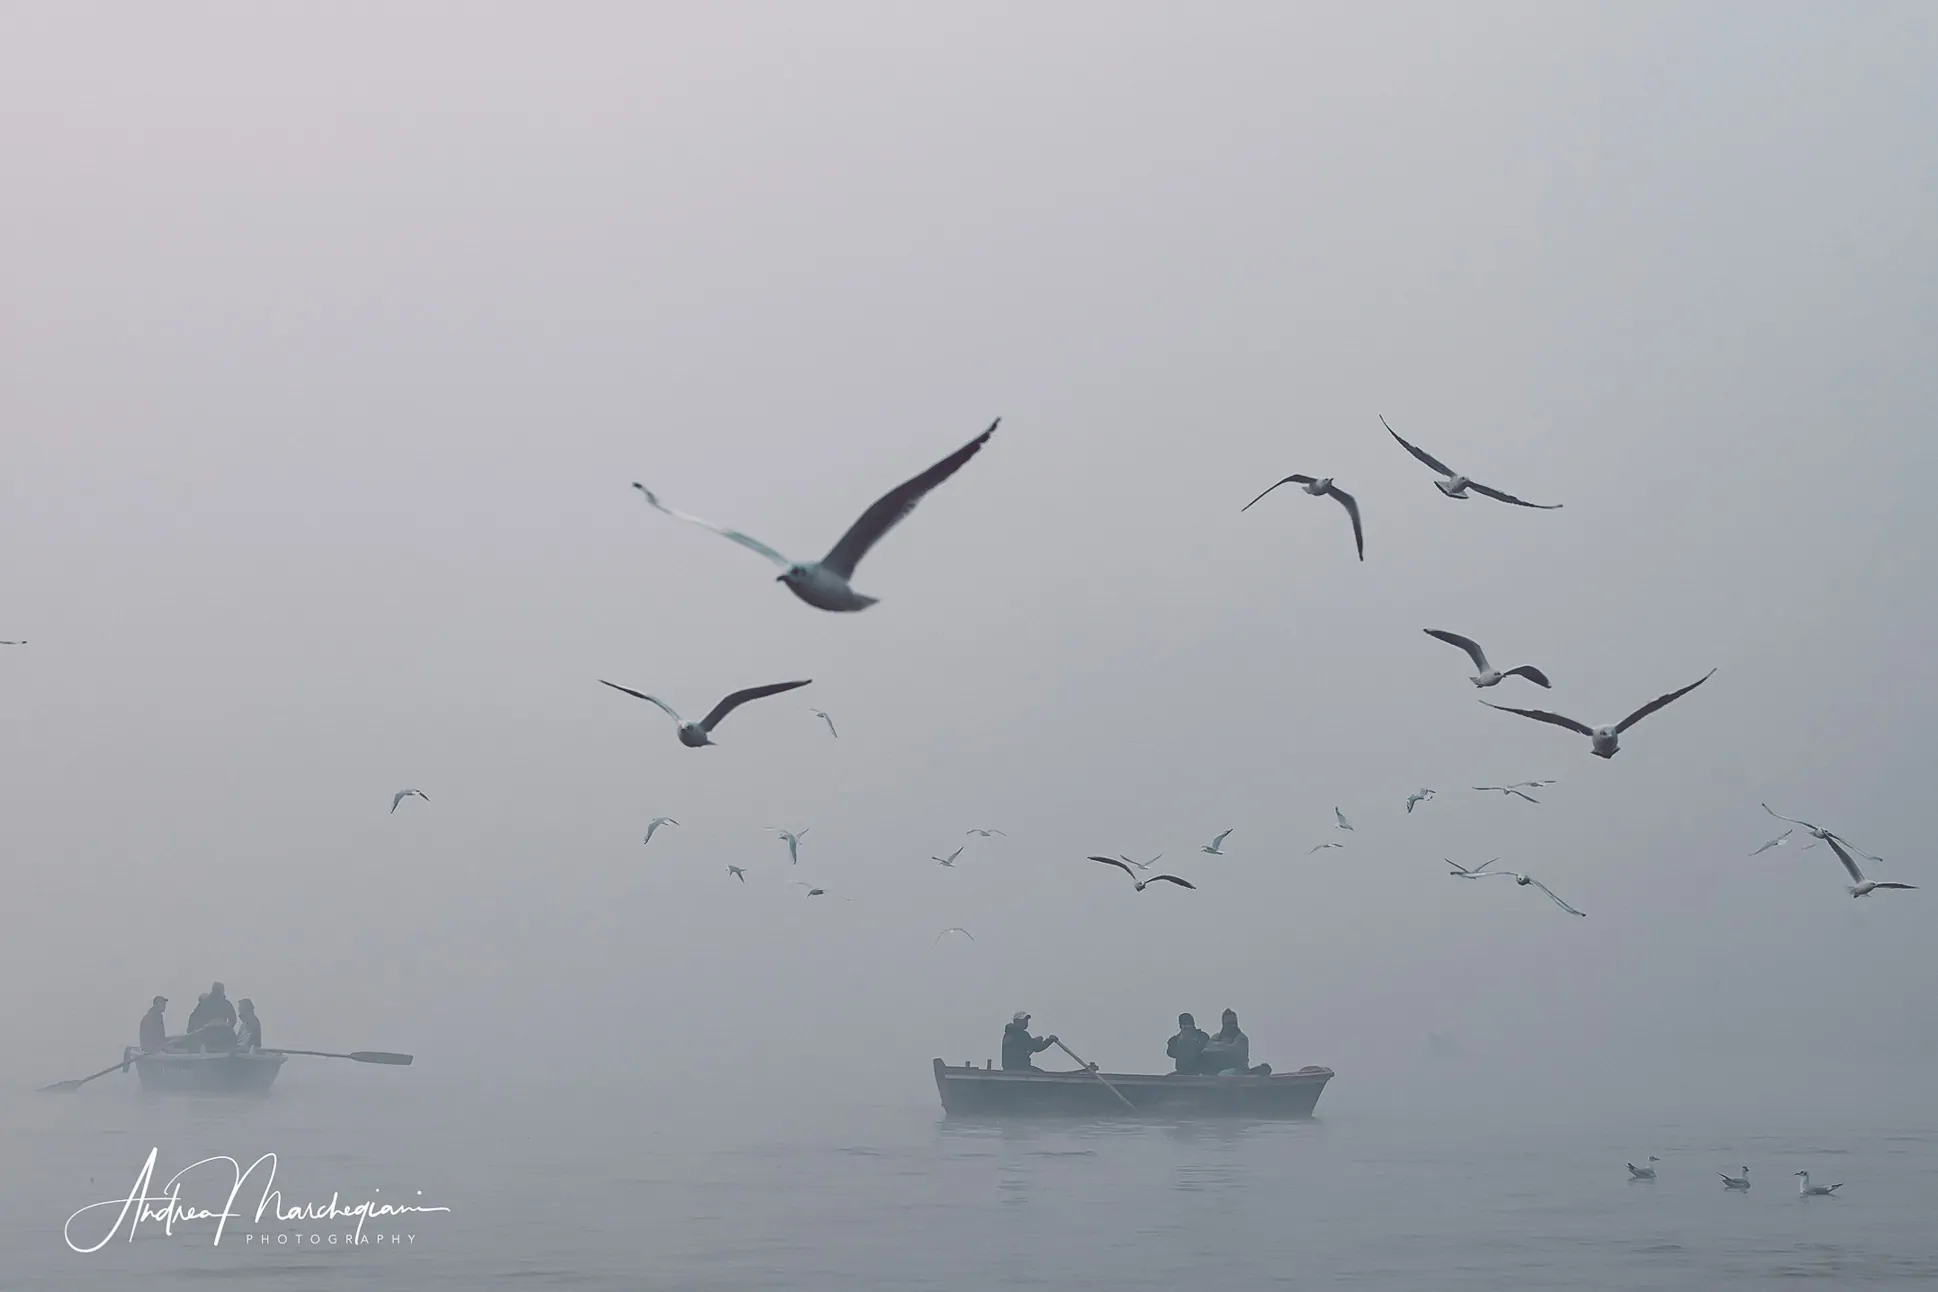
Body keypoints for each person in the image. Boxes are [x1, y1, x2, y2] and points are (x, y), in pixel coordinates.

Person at [1199, 1008, 1250, 1075]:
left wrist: (1218, 1048)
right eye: (1229, 1023)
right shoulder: (1216, 1037)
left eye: (1234, 1023)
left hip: (1238, 1070)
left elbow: (1233, 1052)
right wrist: (1224, 1047)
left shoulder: (1241, 1038)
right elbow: (1206, 1049)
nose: (1232, 1026)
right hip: (1217, 1069)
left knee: (1226, 1074)